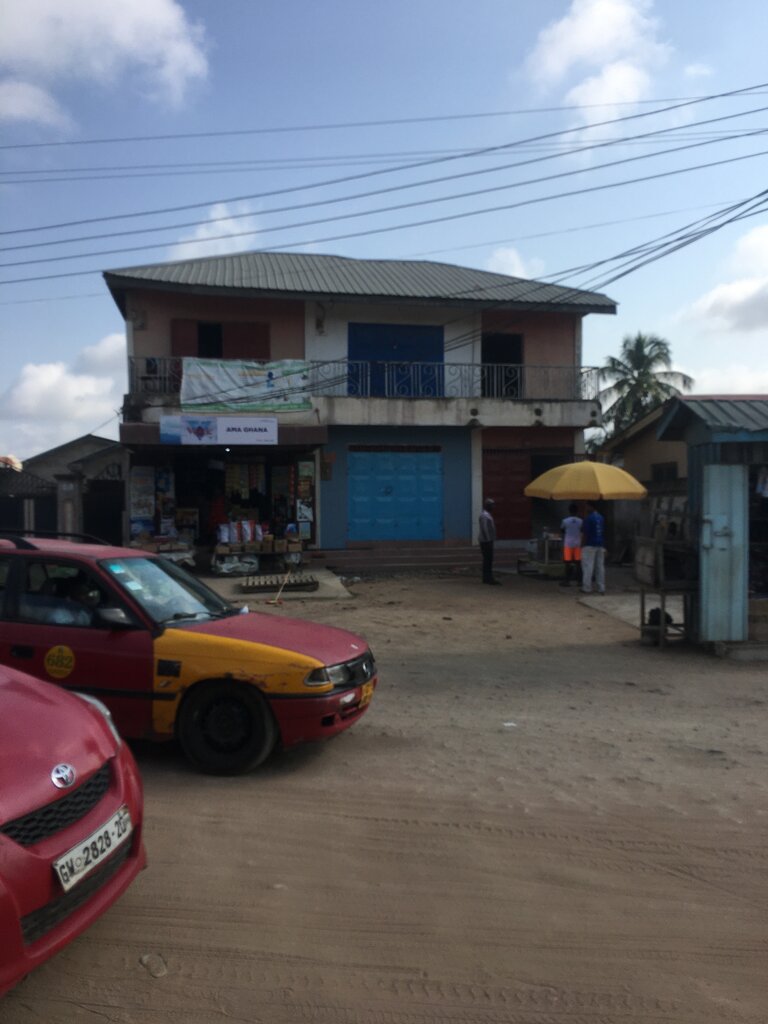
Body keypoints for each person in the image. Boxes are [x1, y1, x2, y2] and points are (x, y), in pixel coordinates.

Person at [581, 500, 606, 594]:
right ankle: (601, 587)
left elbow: (585, 533)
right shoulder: (601, 518)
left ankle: (587, 587)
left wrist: (582, 544)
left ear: (591, 507)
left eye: (587, 506)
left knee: (588, 566)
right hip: (600, 544)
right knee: (600, 567)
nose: (586, 508)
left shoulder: (588, 518)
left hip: (589, 544)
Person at [559, 503, 582, 587]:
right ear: (577, 511)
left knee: (567, 563)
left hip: (568, 543)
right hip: (577, 543)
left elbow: (562, 530)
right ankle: (580, 581)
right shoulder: (580, 521)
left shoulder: (565, 521)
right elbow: (582, 530)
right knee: (578, 563)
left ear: (569, 511)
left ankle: (567, 581)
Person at [478, 498, 500, 585]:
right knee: (488, 559)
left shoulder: (486, 515)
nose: (493, 507)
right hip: (486, 541)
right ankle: (488, 578)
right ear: (488, 506)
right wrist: (489, 540)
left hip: (486, 540)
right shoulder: (485, 516)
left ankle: (487, 577)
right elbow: (485, 529)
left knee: (488, 560)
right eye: (492, 505)